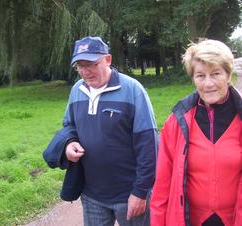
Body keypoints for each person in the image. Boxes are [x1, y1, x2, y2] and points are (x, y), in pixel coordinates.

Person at [43, 36, 159, 226]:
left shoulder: (132, 90)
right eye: (79, 66)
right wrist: (69, 144)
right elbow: (69, 126)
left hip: (129, 193)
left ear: (108, 59)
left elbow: (149, 145)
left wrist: (141, 192)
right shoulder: (76, 90)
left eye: (90, 64)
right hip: (92, 195)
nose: (85, 72)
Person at [150, 39, 242, 226]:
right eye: (200, 76)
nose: (208, 84)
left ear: (228, 74)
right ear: (193, 78)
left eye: (216, 74)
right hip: (189, 220)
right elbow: (162, 186)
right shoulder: (176, 123)